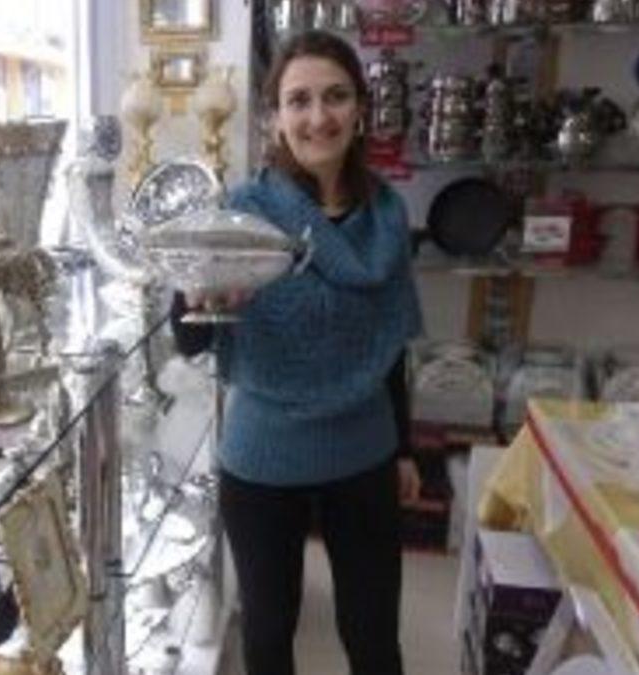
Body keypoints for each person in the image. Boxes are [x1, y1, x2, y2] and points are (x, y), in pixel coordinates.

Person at [170, 30, 424, 675]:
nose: (318, 117)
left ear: (360, 107)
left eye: (335, 96)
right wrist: (193, 287)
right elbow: (191, 339)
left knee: (373, 637)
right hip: (263, 456)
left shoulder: (387, 216)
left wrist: (404, 448)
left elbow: (389, 343)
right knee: (269, 634)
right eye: (299, 100)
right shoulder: (242, 213)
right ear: (276, 117)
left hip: (364, 450)